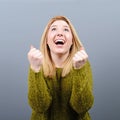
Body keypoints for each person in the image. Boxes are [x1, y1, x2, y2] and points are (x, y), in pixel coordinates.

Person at [27, 15, 94, 120]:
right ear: (46, 41)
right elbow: (39, 107)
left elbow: (82, 107)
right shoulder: (37, 64)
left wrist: (79, 70)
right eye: (53, 29)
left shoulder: (82, 64)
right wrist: (35, 69)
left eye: (66, 30)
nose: (59, 33)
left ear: (72, 40)